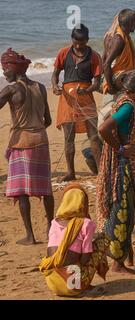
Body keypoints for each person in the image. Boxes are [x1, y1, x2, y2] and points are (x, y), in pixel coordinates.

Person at [0, 48, 54, 245]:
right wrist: (35, 128)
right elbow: (47, 119)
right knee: (45, 188)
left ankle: (30, 235)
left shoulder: (11, 89)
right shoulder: (40, 87)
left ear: (12, 69)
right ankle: (51, 228)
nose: (4, 73)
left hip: (21, 143)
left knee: (22, 190)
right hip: (41, 139)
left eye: (5, 69)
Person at [96, 69, 135, 274]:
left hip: (125, 165)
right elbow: (104, 129)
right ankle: (117, 263)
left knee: (127, 212)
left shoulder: (126, 103)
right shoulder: (127, 107)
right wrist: (120, 148)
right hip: (122, 167)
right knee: (122, 213)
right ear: (131, 91)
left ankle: (123, 259)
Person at [51, 24, 103, 181]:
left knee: (93, 136)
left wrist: (87, 90)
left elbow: (97, 82)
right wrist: (55, 86)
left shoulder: (94, 56)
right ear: (72, 39)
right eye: (75, 41)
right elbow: (55, 74)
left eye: (82, 42)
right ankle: (70, 172)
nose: (79, 45)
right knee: (68, 137)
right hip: (67, 98)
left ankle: (101, 171)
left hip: (86, 97)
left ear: (87, 40)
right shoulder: (64, 52)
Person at [39, 183, 109, 296]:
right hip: (72, 285)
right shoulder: (86, 223)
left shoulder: (54, 222)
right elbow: (85, 259)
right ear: (83, 204)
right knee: (102, 240)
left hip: (53, 283)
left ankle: (76, 282)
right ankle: (83, 286)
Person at [99, 9, 135, 125]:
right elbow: (106, 63)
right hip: (118, 78)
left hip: (123, 77)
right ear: (130, 23)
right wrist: (110, 86)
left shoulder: (125, 36)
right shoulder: (119, 39)